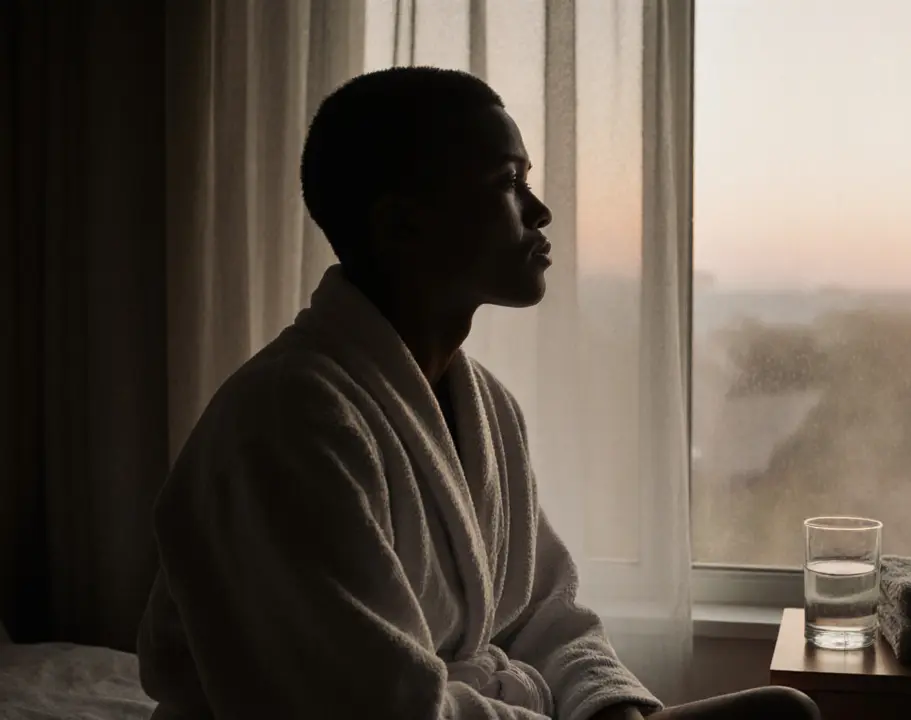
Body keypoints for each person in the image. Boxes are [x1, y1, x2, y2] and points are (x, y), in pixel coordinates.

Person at [136, 67, 820, 720]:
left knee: (780, 716)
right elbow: (364, 709)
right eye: (508, 182)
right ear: (401, 224)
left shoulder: (487, 407)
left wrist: (611, 712)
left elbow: (545, 614)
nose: (540, 210)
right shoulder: (287, 423)